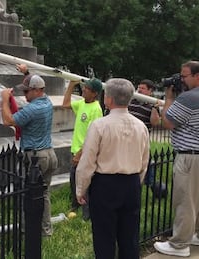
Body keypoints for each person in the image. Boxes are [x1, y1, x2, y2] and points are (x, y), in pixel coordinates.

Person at [76, 78, 150, 259]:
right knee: (130, 236)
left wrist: (81, 188)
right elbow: (144, 161)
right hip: (131, 183)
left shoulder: (100, 125)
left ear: (108, 99)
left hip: (105, 185)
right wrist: (135, 182)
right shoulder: (141, 126)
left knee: (104, 236)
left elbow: (88, 161)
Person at [153, 61, 199, 257]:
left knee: (185, 201)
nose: (181, 79)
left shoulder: (190, 98)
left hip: (191, 158)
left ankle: (179, 244)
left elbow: (167, 122)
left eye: (184, 76)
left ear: (197, 76)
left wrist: (168, 97)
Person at [1, 64, 58, 236]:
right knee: (44, 194)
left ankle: (28, 231)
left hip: (34, 158)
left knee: (27, 194)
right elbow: (37, 83)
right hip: (49, 154)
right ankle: (46, 230)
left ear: (36, 91)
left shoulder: (33, 109)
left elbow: (8, 120)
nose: (24, 95)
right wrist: (26, 73)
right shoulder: (47, 101)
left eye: (26, 91)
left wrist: (4, 99)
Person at [62, 78, 103, 220]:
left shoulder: (96, 110)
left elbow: (93, 137)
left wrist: (80, 154)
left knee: (84, 183)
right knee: (74, 180)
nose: (84, 90)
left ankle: (87, 214)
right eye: (84, 87)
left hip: (85, 153)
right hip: (77, 150)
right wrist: (71, 85)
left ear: (95, 93)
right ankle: (75, 206)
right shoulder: (81, 104)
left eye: (87, 89)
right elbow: (65, 104)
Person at [128, 79, 161, 186]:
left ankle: (143, 183)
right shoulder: (132, 101)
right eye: (139, 88)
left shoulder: (152, 105)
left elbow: (155, 122)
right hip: (126, 137)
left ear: (150, 91)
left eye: (143, 88)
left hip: (140, 141)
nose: (139, 90)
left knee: (140, 165)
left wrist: (155, 108)